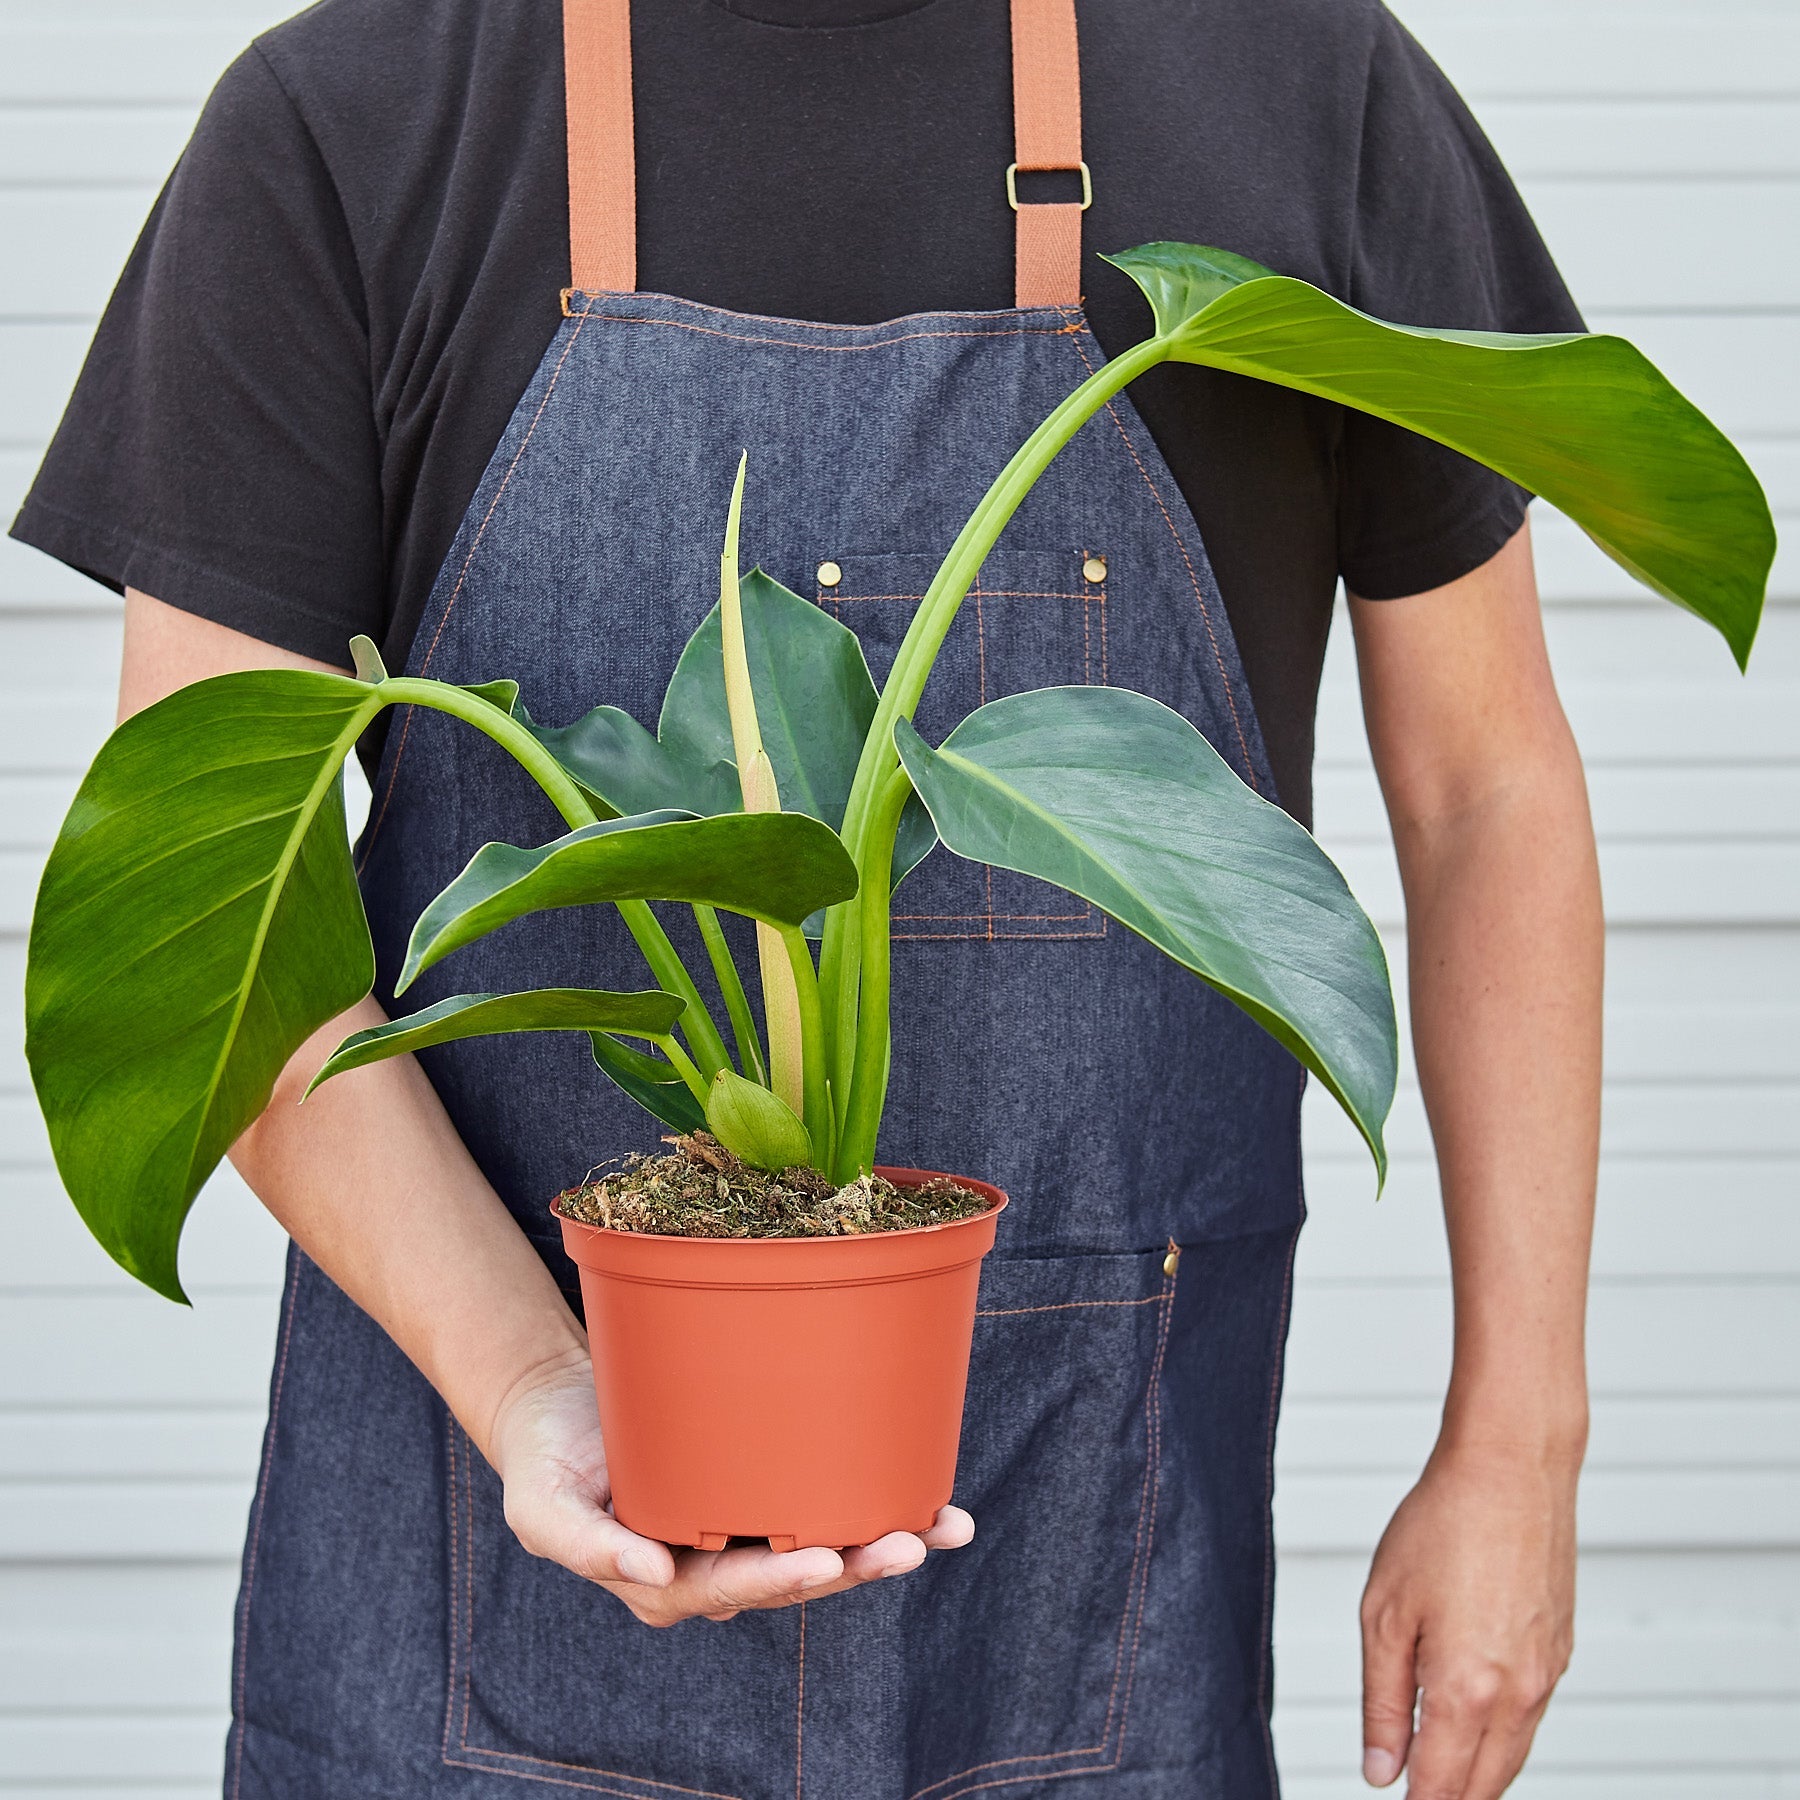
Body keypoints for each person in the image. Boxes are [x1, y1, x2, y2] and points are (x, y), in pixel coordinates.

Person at [12, 1, 1601, 1795]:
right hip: (491, 1575)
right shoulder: (359, 116)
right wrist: (538, 1383)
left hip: (1089, 1580)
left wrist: (1518, 1444)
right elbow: (219, 912)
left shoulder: (1304, 86)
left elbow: (1489, 795)